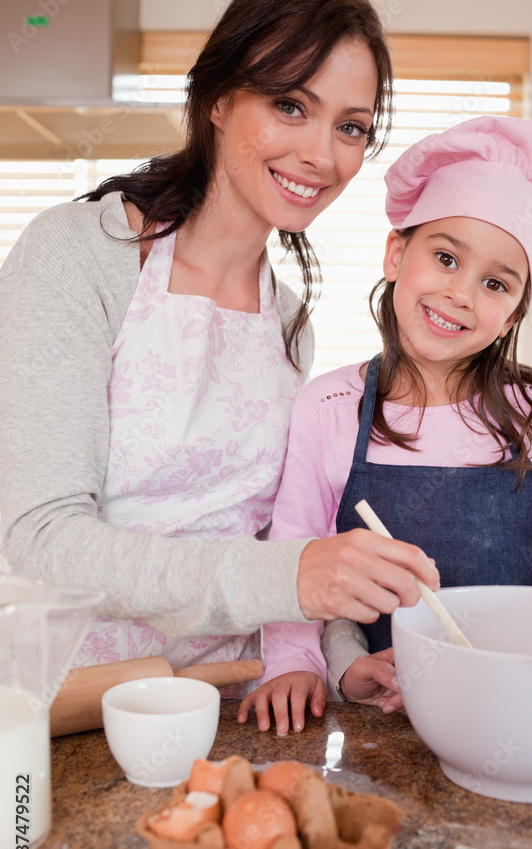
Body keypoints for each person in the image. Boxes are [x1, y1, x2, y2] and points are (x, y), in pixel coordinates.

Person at [0, 0, 439, 691]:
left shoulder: (289, 324)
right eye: (290, 105)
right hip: (69, 705)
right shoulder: (78, 255)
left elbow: (278, 543)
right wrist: (291, 575)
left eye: (350, 127)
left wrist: (344, 657)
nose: (321, 155)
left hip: (230, 702)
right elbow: (40, 541)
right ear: (216, 99)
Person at [239, 114, 532, 733]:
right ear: (395, 255)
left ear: (514, 313)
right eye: (445, 257)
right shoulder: (329, 407)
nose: (462, 293)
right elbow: (297, 551)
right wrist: (299, 663)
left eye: (495, 282)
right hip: (375, 711)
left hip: (506, 708)